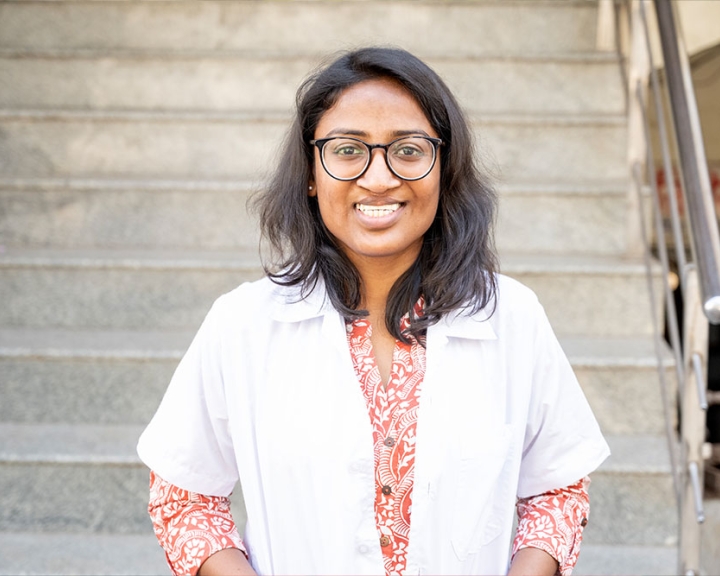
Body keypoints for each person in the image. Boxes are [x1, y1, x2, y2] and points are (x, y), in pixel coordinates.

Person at [137, 47, 610, 576]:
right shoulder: (242, 323)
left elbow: (556, 490)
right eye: (347, 150)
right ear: (311, 172)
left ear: (444, 168)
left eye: (409, 150)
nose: (379, 178)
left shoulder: (512, 318)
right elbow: (186, 497)